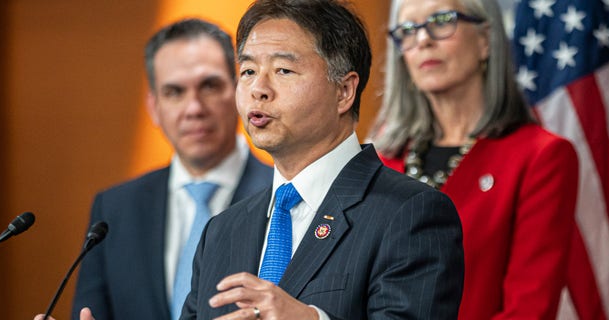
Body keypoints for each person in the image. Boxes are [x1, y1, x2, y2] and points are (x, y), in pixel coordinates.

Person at [175, 0, 464, 319]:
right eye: (248, 71)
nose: (259, 89)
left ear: (344, 91)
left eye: (283, 70)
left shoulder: (411, 213)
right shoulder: (221, 231)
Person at [368, 0, 579, 319]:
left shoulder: (542, 157)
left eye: (441, 20)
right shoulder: (379, 160)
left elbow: (528, 311)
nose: (423, 39)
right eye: (408, 30)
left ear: (485, 40)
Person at [68, 18, 273, 320]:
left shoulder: (283, 194)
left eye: (210, 86)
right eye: (174, 92)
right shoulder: (114, 209)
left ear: (239, 91)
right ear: (154, 107)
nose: (194, 108)